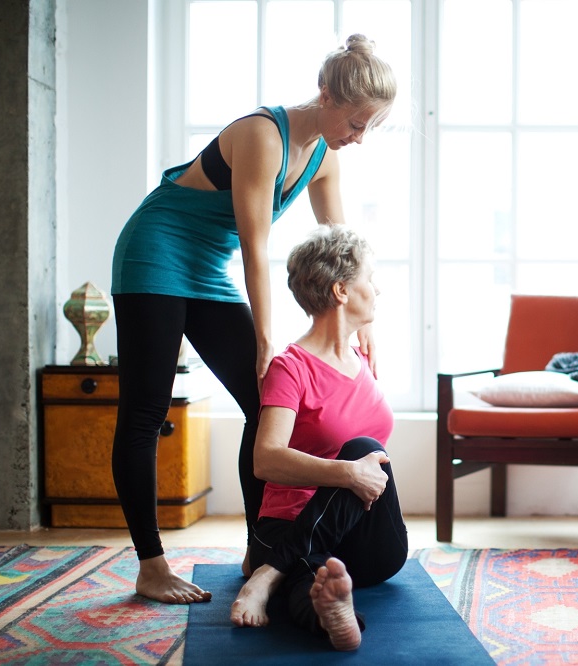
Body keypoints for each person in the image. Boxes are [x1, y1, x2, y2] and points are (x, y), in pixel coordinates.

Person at [109, 34, 396, 604]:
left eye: (371, 128)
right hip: (156, 251)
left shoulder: (324, 157)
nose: (359, 138)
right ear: (326, 95)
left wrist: (366, 328)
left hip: (208, 266)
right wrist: (266, 338)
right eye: (357, 123)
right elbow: (256, 247)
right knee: (146, 409)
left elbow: (344, 248)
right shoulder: (264, 135)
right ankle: (151, 563)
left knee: (263, 407)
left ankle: (261, 547)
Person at [229, 225, 406, 651]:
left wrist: (353, 472)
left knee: (368, 453)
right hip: (292, 526)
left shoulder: (361, 356)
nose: (377, 290)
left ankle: (267, 573)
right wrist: (346, 473)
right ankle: (336, 619)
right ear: (342, 290)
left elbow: (364, 466)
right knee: (310, 582)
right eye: (370, 279)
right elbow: (266, 460)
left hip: (370, 542)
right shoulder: (291, 367)